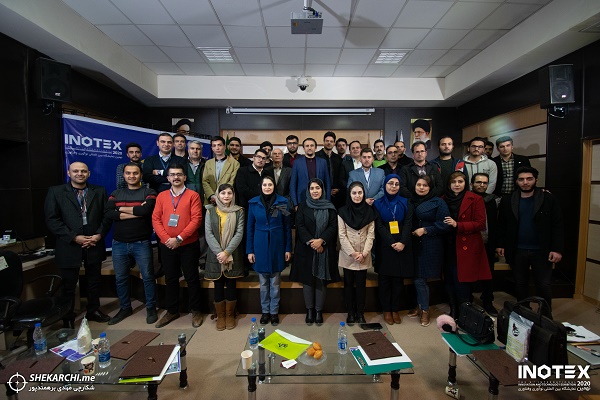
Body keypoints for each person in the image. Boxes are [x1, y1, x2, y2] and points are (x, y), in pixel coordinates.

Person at [44, 161, 112, 325]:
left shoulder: (99, 191)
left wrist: (99, 235)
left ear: (88, 173)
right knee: (68, 283)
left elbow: (107, 215)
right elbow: (52, 220)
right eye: (75, 171)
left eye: (83, 171)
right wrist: (74, 237)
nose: (79, 174)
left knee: (94, 281)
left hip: (93, 242)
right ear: (69, 173)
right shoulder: (56, 192)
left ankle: (93, 310)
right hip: (69, 244)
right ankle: (66, 315)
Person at [496, 166, 564, 309]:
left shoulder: (548, 199)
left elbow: (557, 225)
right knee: (520, 284)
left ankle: (545, 315)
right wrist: (500, 244)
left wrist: (557, 249)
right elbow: (502, 224)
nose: (525, 182)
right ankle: (524, 313)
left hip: (542, 250)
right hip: (517, 250)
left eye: (529, 179)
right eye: (521, 179)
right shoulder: (508, 200)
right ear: (516, 181)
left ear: (536, 180)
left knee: (543, 285)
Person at [152, 164, 203, 328]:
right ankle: (172, 310)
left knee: (192, 278)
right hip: (167, 245)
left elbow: (196, 219)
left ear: (184, 177)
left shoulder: (193, 195)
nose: (176, 177)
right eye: (173, 175)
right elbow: (156, 219)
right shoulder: (161, 196)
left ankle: (196, 310)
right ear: (168, 178)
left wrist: (179, 238)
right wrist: (167, 239)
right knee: (171, 278)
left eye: (179, 174)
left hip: (188, 244)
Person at [105, 163, 157, 325]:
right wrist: (136, 211)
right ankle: (125, 308)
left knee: (148, 277)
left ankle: (151, 308)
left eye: (135, 173)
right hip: (119, 243)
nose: (132, 176)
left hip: (141, 242)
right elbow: (108, 213)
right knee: (121, 278)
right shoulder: (116, 193)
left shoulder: (149, 192)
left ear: (140, 175)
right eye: (128, 173)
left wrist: (120, 209)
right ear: (124, 175)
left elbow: (146, 211)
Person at [290, 179, 339, 325]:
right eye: (312, 188)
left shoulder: (330, 207)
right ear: (308, 190)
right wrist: (313, 242)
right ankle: (309, 310)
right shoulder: (303, 206)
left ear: (322, 190)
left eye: (317, 188)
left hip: (325, 249)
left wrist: (321, 241)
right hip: (307, 249)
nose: (315, 191)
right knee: (308, 281)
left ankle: (318, 311)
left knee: (320, 281)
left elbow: (333, 227)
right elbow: (300, 226)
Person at [442, 171, 491, 319]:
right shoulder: (443, 199)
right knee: (449, 278)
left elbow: (480, 224)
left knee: (462, 280)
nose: (457, 185)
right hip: (447, 243)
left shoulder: (475, 199)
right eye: (453, 182)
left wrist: (458, 225)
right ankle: (453, 309)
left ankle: (464, 311)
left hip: (466, 244)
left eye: (460, 182)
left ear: (466, 183)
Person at [246, 175, 292, 326]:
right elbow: (250, 228)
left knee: (275, 284)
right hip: (259, 246)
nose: (267, 187)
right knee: (263, 284)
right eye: (265, 185)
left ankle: (274, 312)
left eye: (270, 185)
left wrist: (288, 248)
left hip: (277, 246)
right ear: (261, 186)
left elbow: (287, 227)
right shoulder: (253, 203)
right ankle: (265, 312)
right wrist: (250, 250)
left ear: (274, 186)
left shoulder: (282, 202)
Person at [408, 176, 451, 327]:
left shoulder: (438, 202)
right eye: (419, 184)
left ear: (430, 188)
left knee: (421, 279)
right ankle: (420, 306)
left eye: (425, 185)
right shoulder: (411, 200)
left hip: (430, 243)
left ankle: (425, 310)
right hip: (413, 244)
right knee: (416, 278)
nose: (421, 188)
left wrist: (426, 230)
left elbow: (445, 224)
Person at [373, 174, 413, 325]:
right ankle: (386, 310)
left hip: (402, 245)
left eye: (397, 184)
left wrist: (402, 242)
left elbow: (408, 223)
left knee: (398, 281)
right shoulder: (377, 203)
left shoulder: (406, 202)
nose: (393, 186)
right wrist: (391, 242)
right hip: (385, 245)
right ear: (385, 185)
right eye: (390, 183)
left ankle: (395, 309)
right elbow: (379, 226)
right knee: (384, 280)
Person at [204, 184, 245, 331]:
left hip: (232, 253)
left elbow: (239, 233)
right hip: (216, 255)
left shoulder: (239, 211)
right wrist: (220, 253)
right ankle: (220, 316)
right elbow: (208, 234)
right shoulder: (210, 210)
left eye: (229, 193)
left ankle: (230, 315)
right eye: (223, 193)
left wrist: (227, 252)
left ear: (233, 195)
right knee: (218, 284)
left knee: (231, 284)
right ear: (217, 195)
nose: (226, 196)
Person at [338, 182, 376, 324]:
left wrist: (364, 253)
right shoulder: (342, 211)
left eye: (360, 193)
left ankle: (360, 312)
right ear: (349, 194)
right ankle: (350, 312)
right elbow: (342, 235)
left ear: (363, 194)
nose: (357, 196)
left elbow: (371, 235)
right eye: (354, 193)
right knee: (348, 284)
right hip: (348, 255)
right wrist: (353, 254)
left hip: (363, 254)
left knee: (361, 285)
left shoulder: (370, 211)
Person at [471, 172, 500, 316]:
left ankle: (488, 301)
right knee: (469, 273)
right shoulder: (467, 199)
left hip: (488, 242)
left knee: (488, 274)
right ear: (472, 184)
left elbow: (498, 223)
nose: (481, 185)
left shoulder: (492, 201)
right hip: (471, 243)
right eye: (478, 182)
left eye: (484, 183)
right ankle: (468, 301)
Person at [290, 138, 331, 208]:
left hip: (320, 200)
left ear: (315, 148)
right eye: (307, 146)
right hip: (302, 200)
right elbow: (293, 184)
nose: (309, 148)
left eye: (312, 145)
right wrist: (295, 203)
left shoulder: (323, 162)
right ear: (303, 148)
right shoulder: (297, 163)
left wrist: (327, 201)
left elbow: (327, 183)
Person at [202, 136, 240, 206]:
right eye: (214, 146)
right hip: (211, 200)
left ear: (225, 147)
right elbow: (205, 181)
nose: (217, 148)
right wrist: (212, 196)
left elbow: (232, 181)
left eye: (219, 145)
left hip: (226, 199)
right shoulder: (208, 163)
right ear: (212, 148)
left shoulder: (234, 163)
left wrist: (221, 196)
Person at [316, 131, 343, 208]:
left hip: (336, 194)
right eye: (327, 141)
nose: (329, 143)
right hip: (320, 193)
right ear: (323, 142)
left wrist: (338, 189)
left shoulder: (338, 158)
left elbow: (340, 176)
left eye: (331, 141)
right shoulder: (316, 156)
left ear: (334, 143)